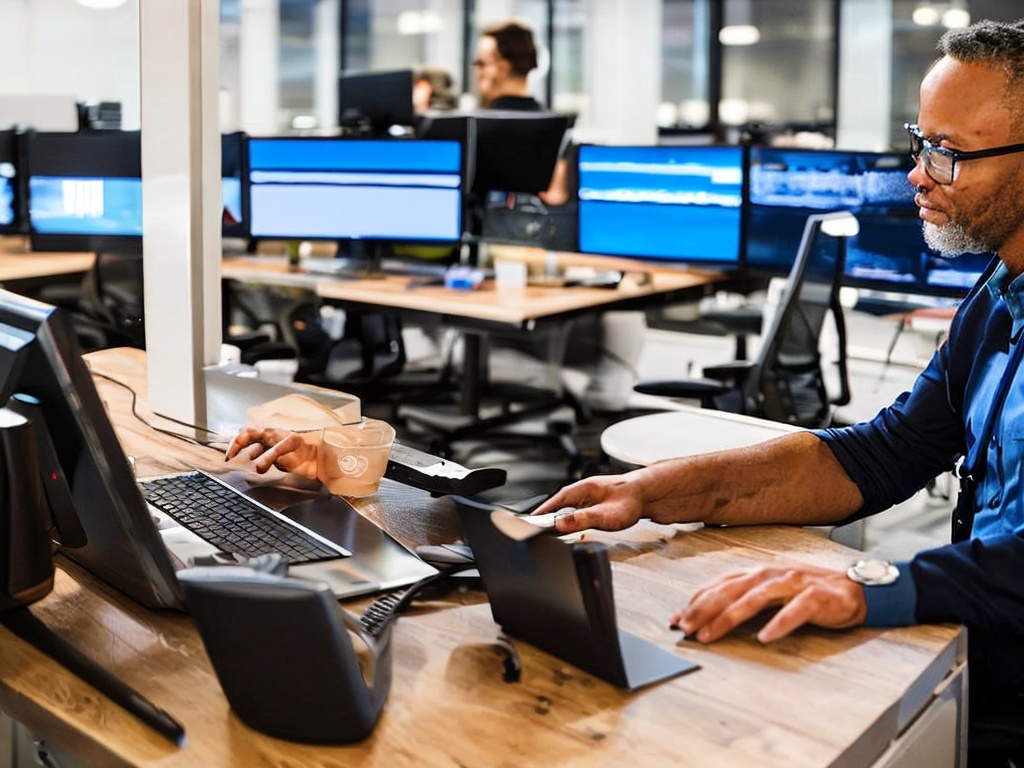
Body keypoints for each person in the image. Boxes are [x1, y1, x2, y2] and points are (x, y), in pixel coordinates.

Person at [534, 17, 1024, 764]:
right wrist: (660, 491)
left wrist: (868, 584)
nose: (917, 175)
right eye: (920, 142)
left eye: (949, 154)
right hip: (977, 660)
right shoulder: (997, 300)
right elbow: (882, 455)